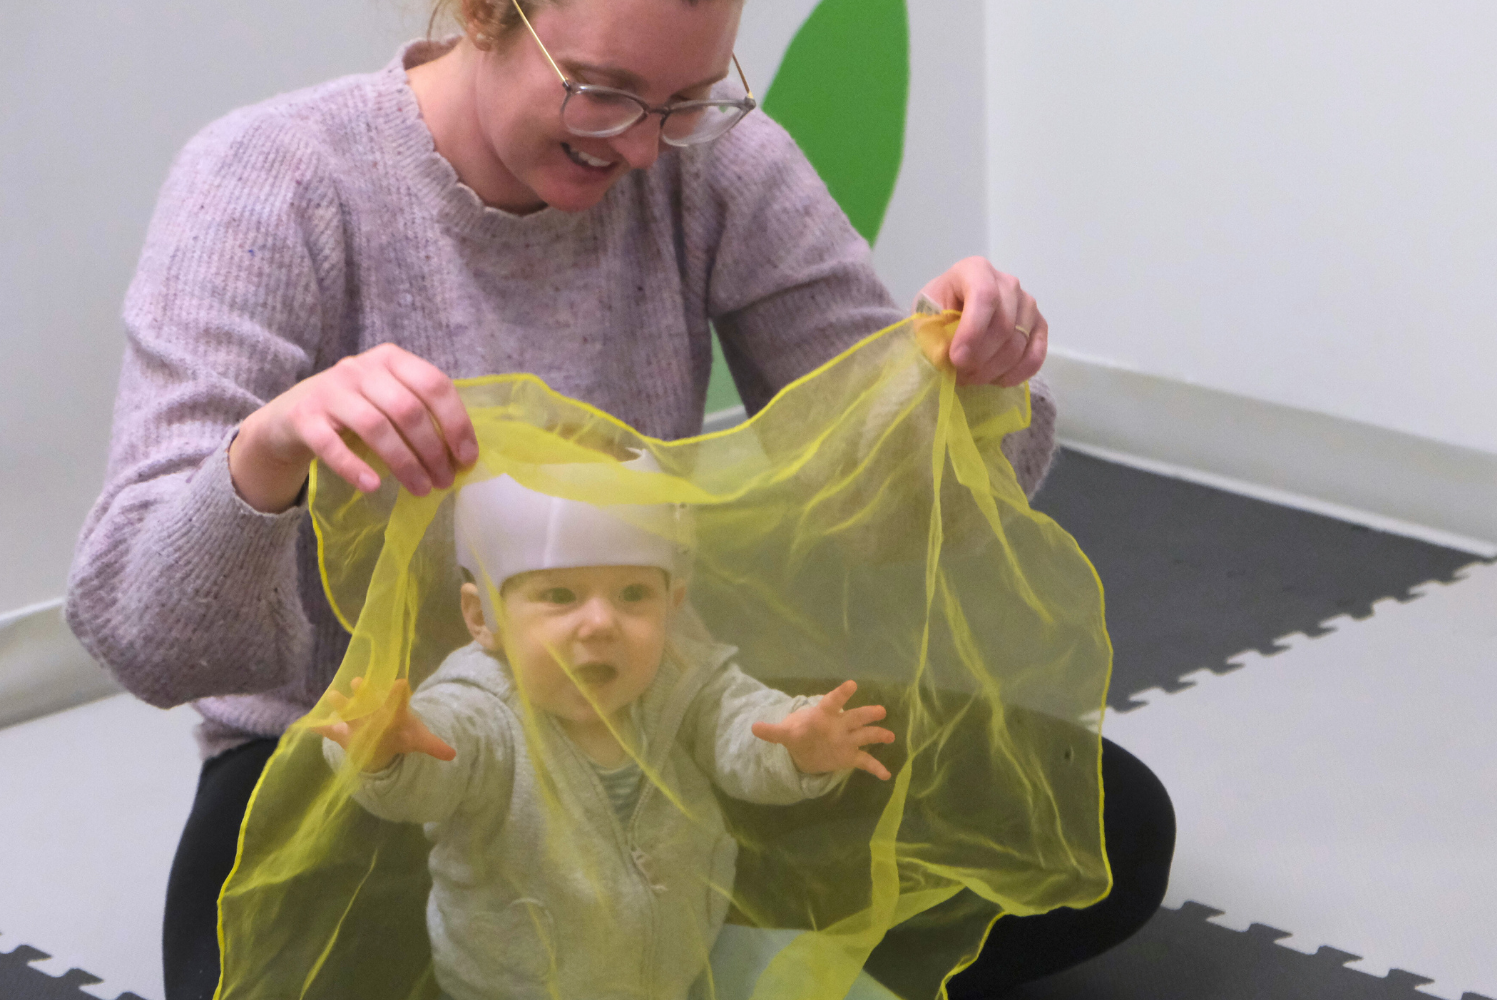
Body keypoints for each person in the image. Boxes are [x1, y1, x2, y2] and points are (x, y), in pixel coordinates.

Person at [64, 0, 1170, 996]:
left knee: (1101, 826)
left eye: (687, 98)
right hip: (387, 747)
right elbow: (145, 633)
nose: (639, 144)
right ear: (487, 14)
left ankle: (689, 948)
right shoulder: (272, 178)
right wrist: (267, 452)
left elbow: (903, 519)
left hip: (652, 711)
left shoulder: (716, 166)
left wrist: (967, 389)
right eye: (602, 89)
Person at [316, 464, 895, 1000]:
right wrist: (387, 754)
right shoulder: (481, 705)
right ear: (481, 617)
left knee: (820, 976)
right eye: (560, 595)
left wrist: (797, 744)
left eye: (634, 594)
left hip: (686, 962)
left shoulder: (676, 677)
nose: (601, 623)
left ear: (672, 604)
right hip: (521, 989)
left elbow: (738, 723)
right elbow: (440, 756)